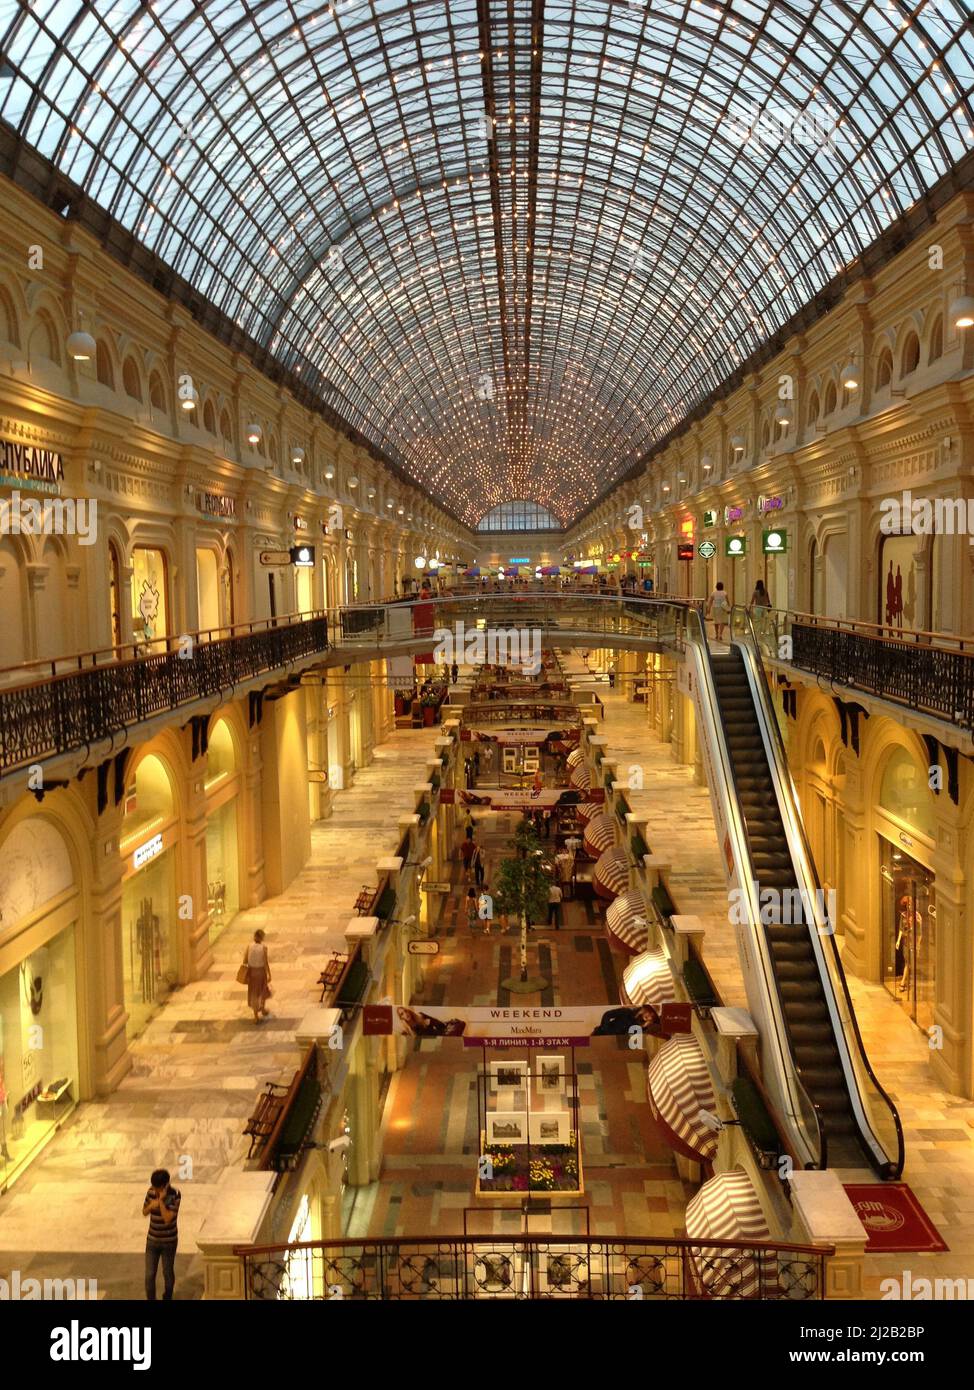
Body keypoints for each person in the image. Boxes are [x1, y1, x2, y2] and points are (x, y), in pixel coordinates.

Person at [143, 1167, 180, 1301]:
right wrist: (150, 1206)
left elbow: (167, 1219)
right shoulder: (151, 1192)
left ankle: (167, 1297)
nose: (155, 1190)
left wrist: (160, 1202)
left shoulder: (175, 1195)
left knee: (167, 1273)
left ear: (165, 1185)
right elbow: (144, 1212)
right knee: (149, 1275)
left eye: (157, 1187)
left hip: (169, 1241)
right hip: (152, 1239)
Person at [242, 929, 271, 1023]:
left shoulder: (249, 946)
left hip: (252, 973)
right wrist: (269, 974)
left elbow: (245, 961)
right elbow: (266, 962)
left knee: (254, 993)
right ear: (262, 938)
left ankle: (255, 1016)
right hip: (261, 972)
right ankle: (262, 1008)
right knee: (263, 990)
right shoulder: (264, 947)